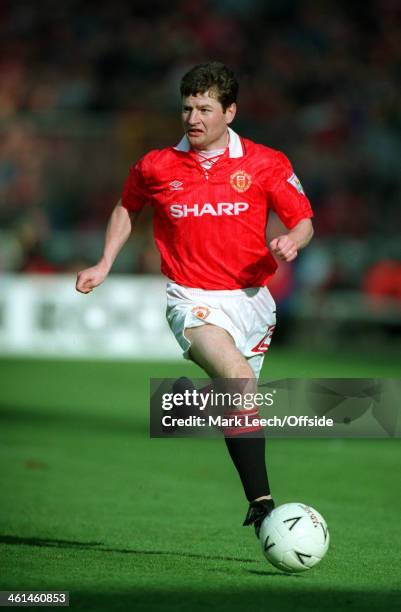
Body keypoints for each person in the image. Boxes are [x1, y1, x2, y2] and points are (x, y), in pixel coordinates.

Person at [76, 61, 314, 538]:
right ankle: (263, 505)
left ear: (230, 111)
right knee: (238, 378)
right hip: (191, 297)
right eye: (187, 108)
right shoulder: (156, 165)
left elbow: (304, 219)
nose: (193, 118)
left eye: (205, 108)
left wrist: (293, 240)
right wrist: (104, 261)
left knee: (237, 399)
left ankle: (186, 402)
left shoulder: (267, 163)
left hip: (252, 301)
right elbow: (128, 206)